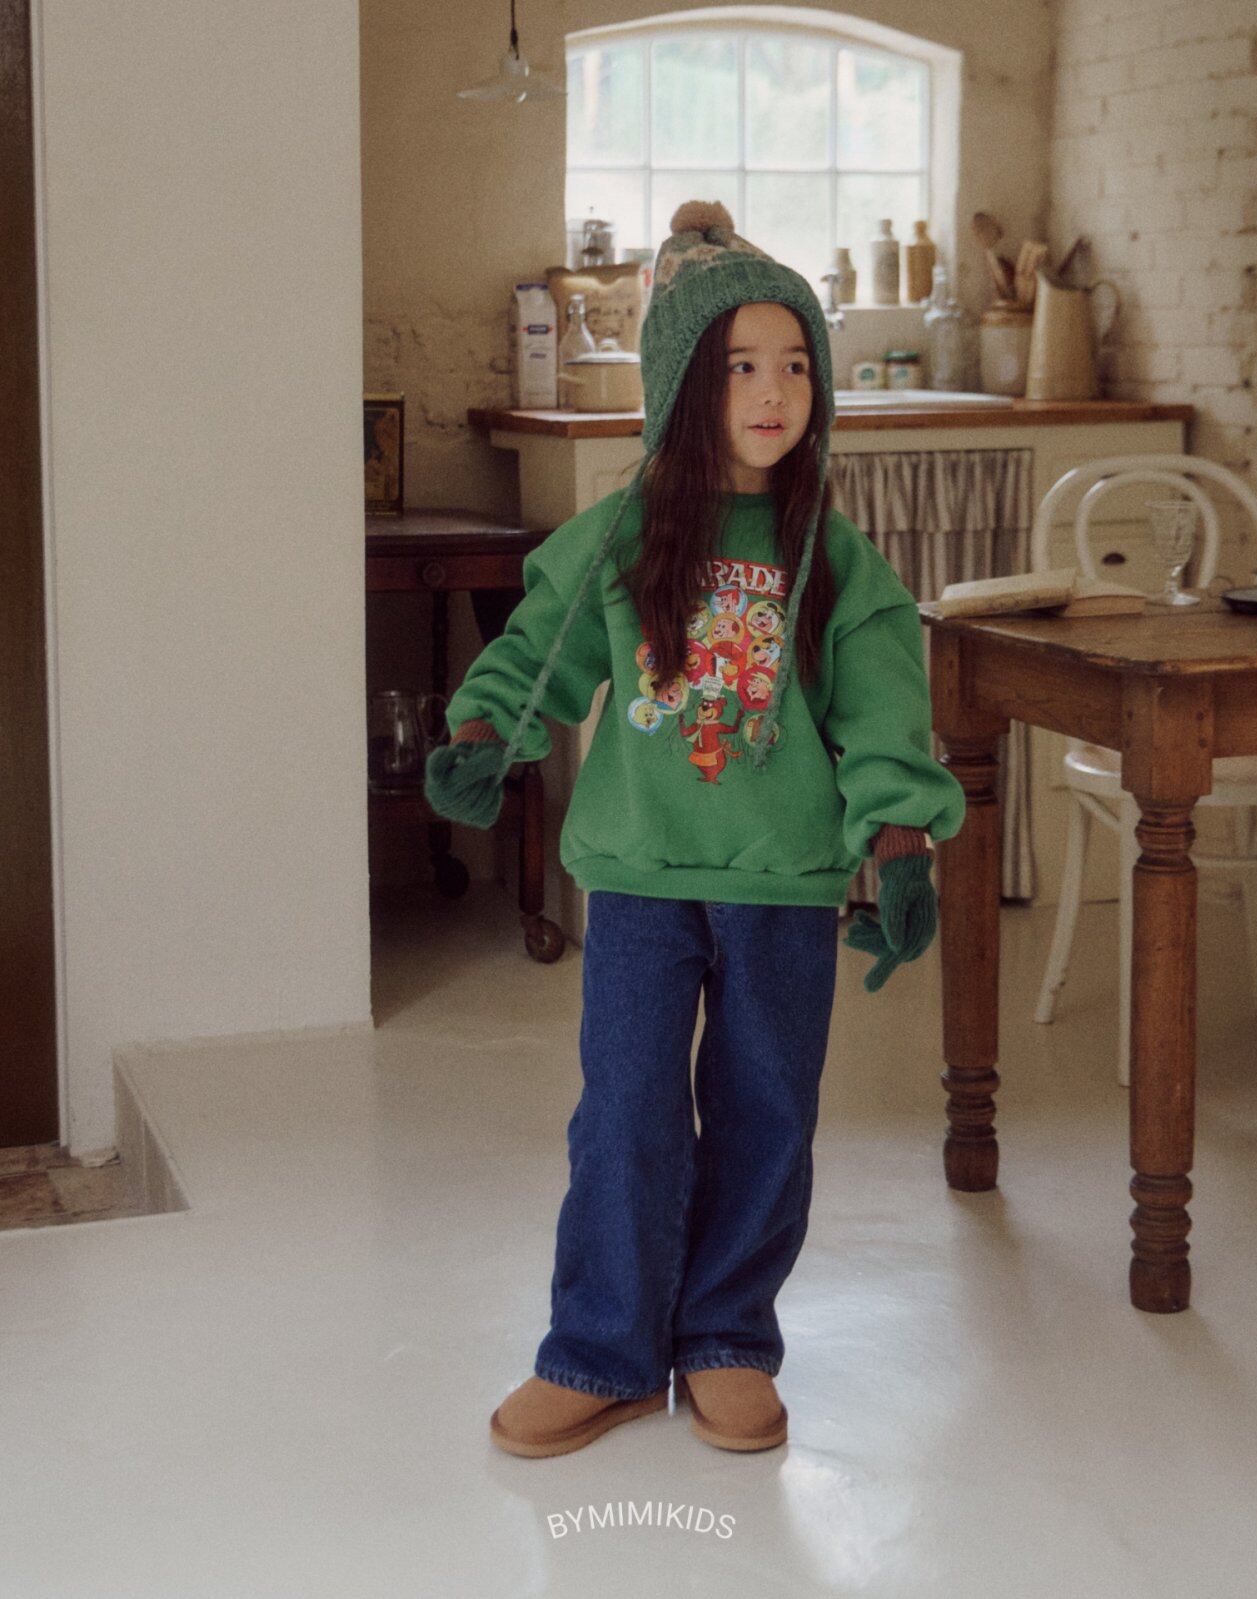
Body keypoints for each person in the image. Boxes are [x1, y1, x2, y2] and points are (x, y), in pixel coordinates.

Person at [426, 201, 966, 1459]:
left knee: (764, 1111)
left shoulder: (833, 559)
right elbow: (541, 648)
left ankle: (726, 1337)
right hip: (639, 870)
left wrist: (897, 841)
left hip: (784, 879)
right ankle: (601, 1351)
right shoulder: (619, 538)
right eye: (738, 366)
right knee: (624, 1112)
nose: (773, 393)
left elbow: (885, 712)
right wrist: (485, 732)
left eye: (795, 365)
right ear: (681, 385)